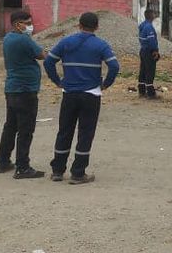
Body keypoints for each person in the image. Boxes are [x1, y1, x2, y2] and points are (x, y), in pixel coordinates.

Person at [43, 12, 120, 184]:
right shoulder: (101, 45)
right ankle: (78, 173)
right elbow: (114, 66)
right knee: (85, 133)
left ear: (79, 25)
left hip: (69, 93)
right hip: (91, 94)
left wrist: (57, 81)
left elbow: (48, 62)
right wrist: (106, 84)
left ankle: (57, 171)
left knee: (64, 131)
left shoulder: (66, 42)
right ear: (97, 27)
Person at [0, 10, 47, 179]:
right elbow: (41, 54)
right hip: (25, 90)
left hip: (12, 89)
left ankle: (3, 161)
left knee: (10, 126)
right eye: (28, 23)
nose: (30, 26)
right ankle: (22, 166)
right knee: (25, 129)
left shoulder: (8, 38)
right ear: (18, 24)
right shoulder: (24, 40)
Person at [138, 9, 161, 99]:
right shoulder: (149, 27)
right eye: (154, 14)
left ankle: (141, 91)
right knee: (150, 71)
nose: (155, 15)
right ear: (151, 16)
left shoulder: (142, 25)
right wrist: (155, 51)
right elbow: (151, 41)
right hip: (149, 51)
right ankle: (150, 93)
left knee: (143, 71)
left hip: (143, 50)